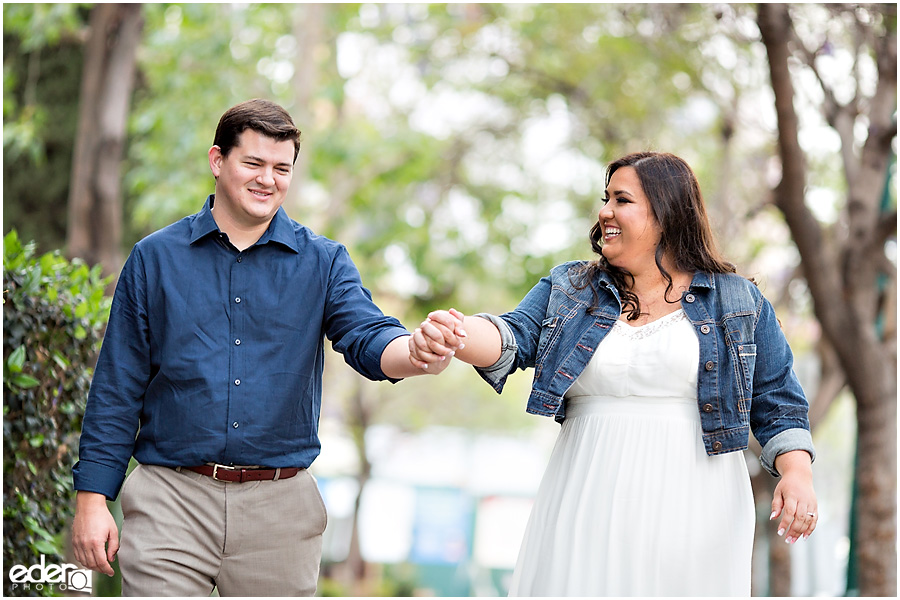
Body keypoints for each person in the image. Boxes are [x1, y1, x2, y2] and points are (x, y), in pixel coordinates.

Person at [71, 98, 451, 596]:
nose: (266, 179)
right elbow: (117, 387)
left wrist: (416, 351)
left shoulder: (325, 262)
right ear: (217, 160)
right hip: (171, 500)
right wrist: (92, 499)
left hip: (280, 513)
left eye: (281, 168)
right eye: (253, 163)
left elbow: (367, 336)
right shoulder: (154, 259)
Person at [410, 151, 817, 596]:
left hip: (696, 501)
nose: (605, 211)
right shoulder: (572, 287)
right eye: (605, 199)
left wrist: (797, 474)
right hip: (585, 489)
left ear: (666, 213)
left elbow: (778, 400)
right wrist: (456, 331)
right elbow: (514, 333)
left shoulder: (737, 300)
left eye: (621, 200)